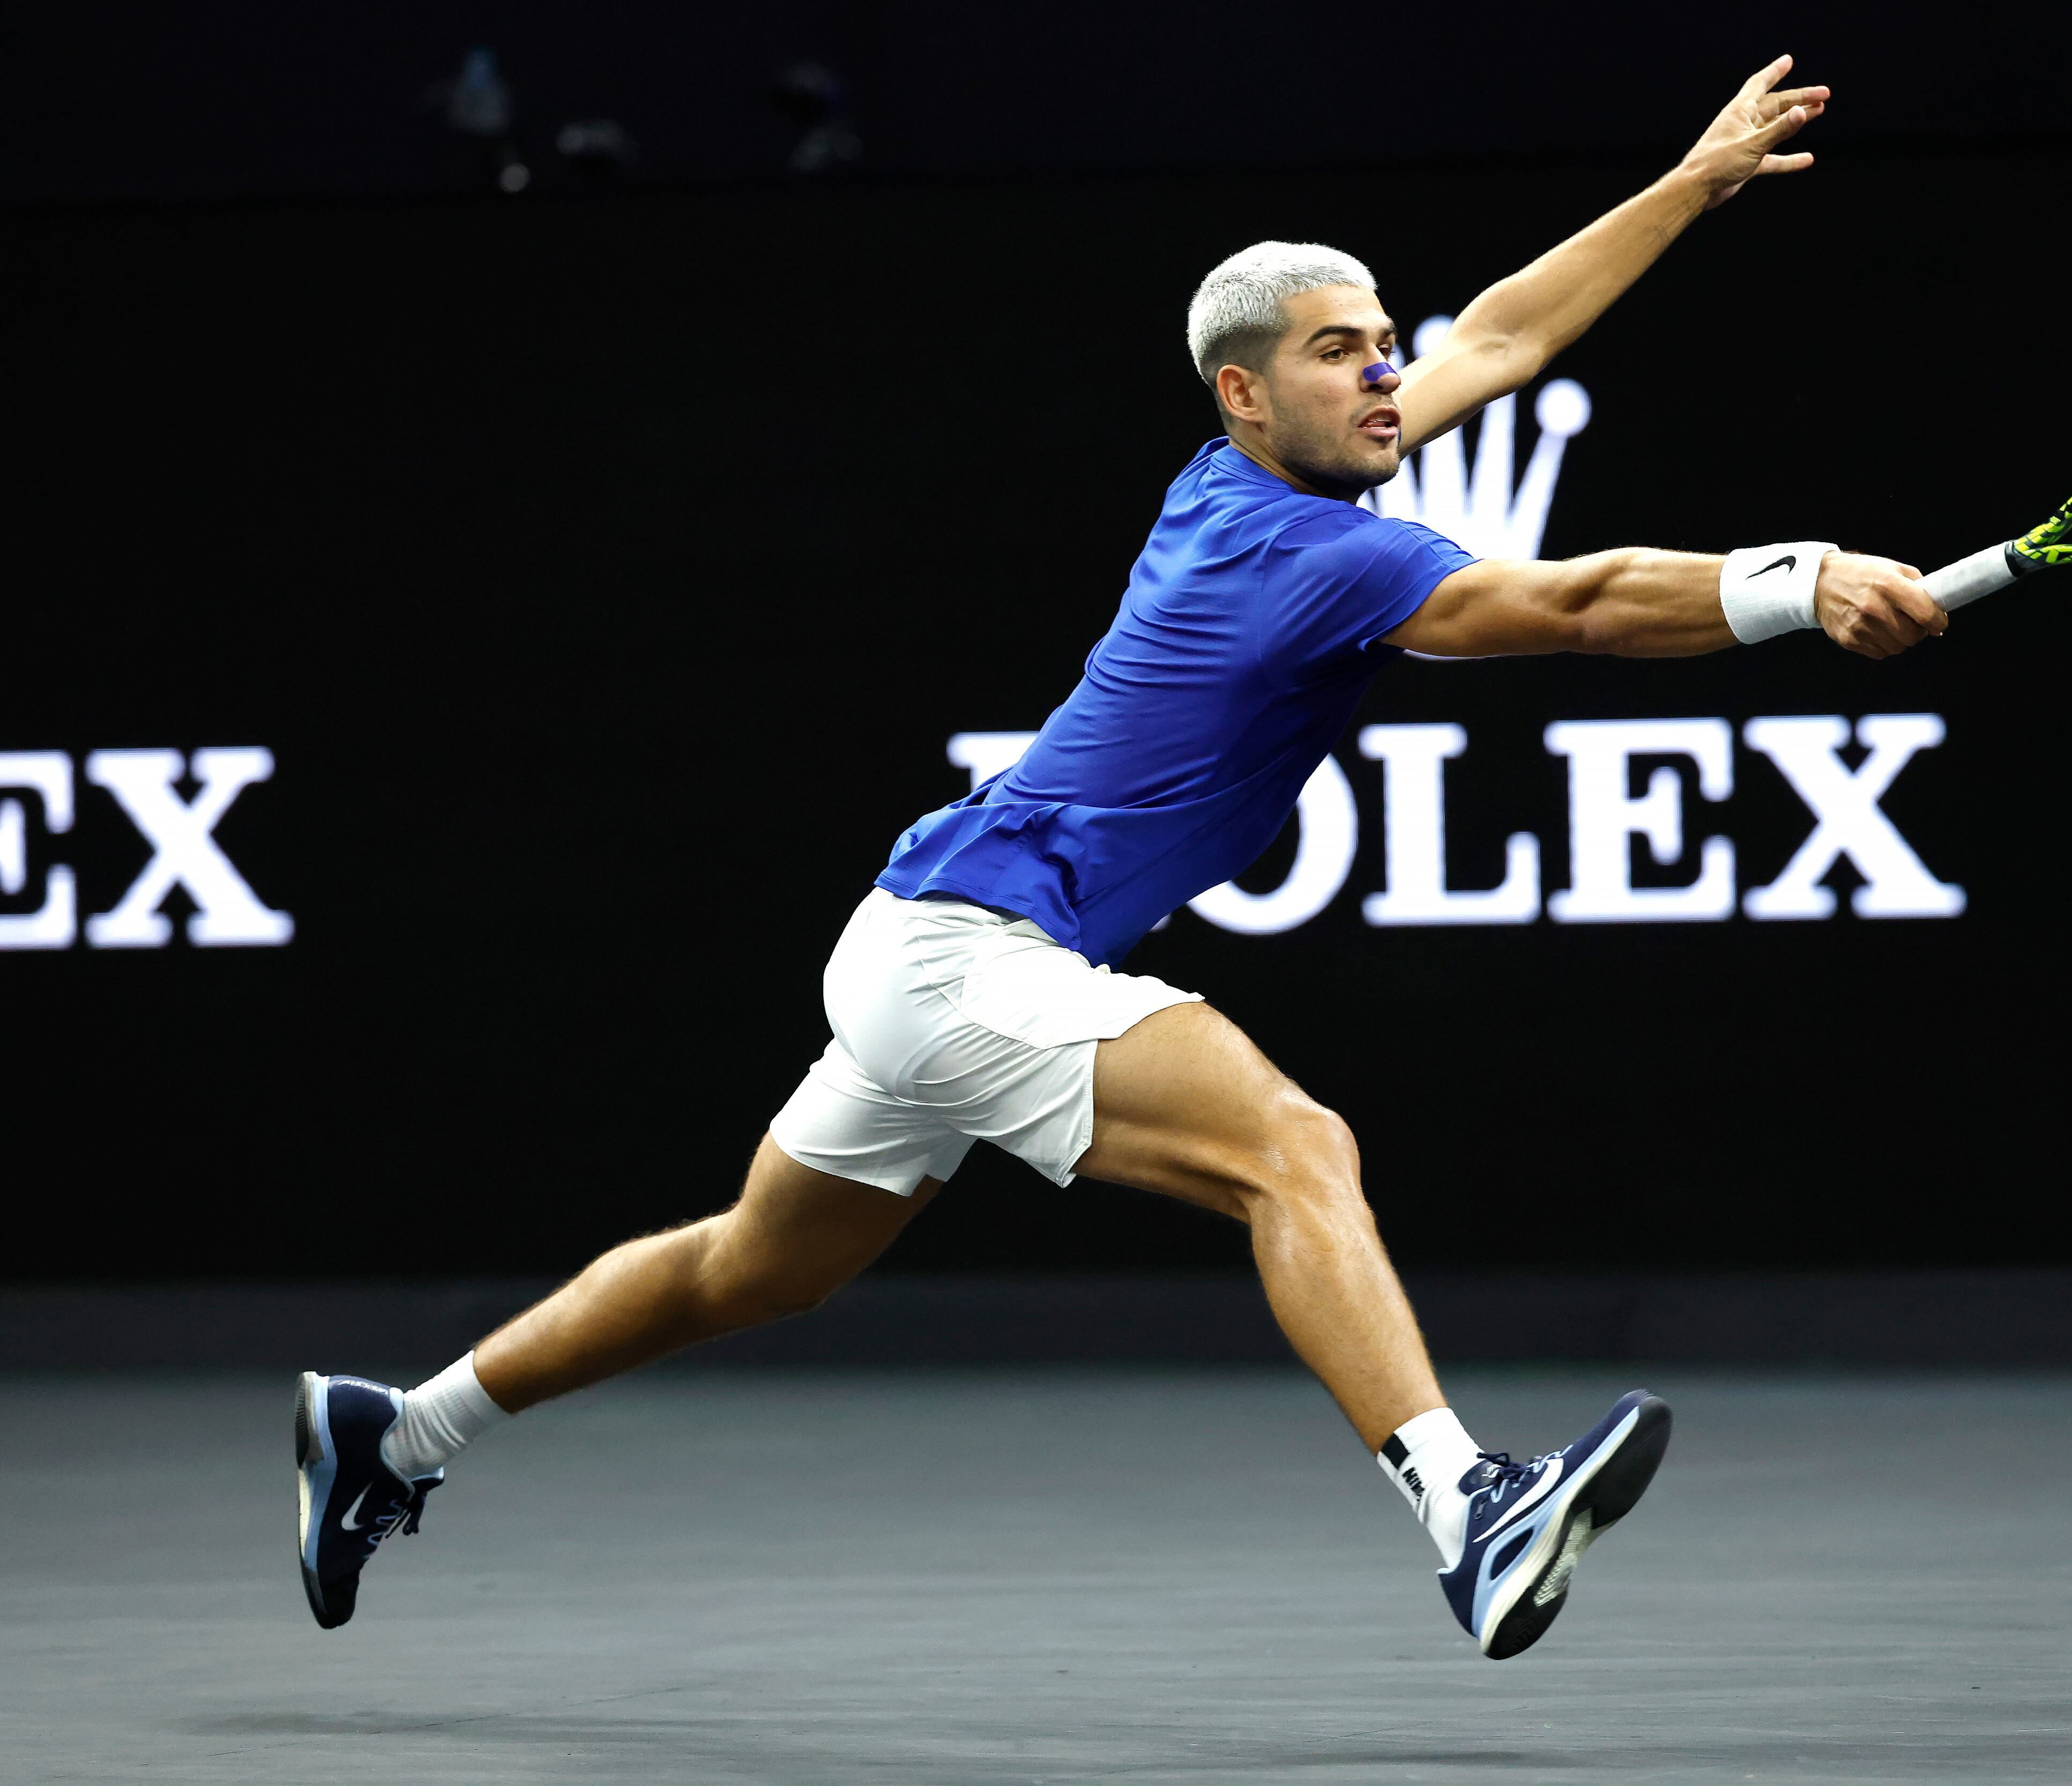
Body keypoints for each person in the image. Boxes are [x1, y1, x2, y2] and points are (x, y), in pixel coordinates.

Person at [295, 52, 1947, 1661]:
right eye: (1339, 354)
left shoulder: (1244, 481)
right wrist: (1796, 578)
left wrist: (1693, 181)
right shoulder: (1303, 553)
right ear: (1245, 391)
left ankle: (400, 1432)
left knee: (752, 1266)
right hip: (966, 953)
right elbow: (1576, 606)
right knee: (1289, 1146)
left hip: (920, 943)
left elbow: (1502, 335)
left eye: (1385, 347)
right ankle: (1471, 1507)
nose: (1386, 376)